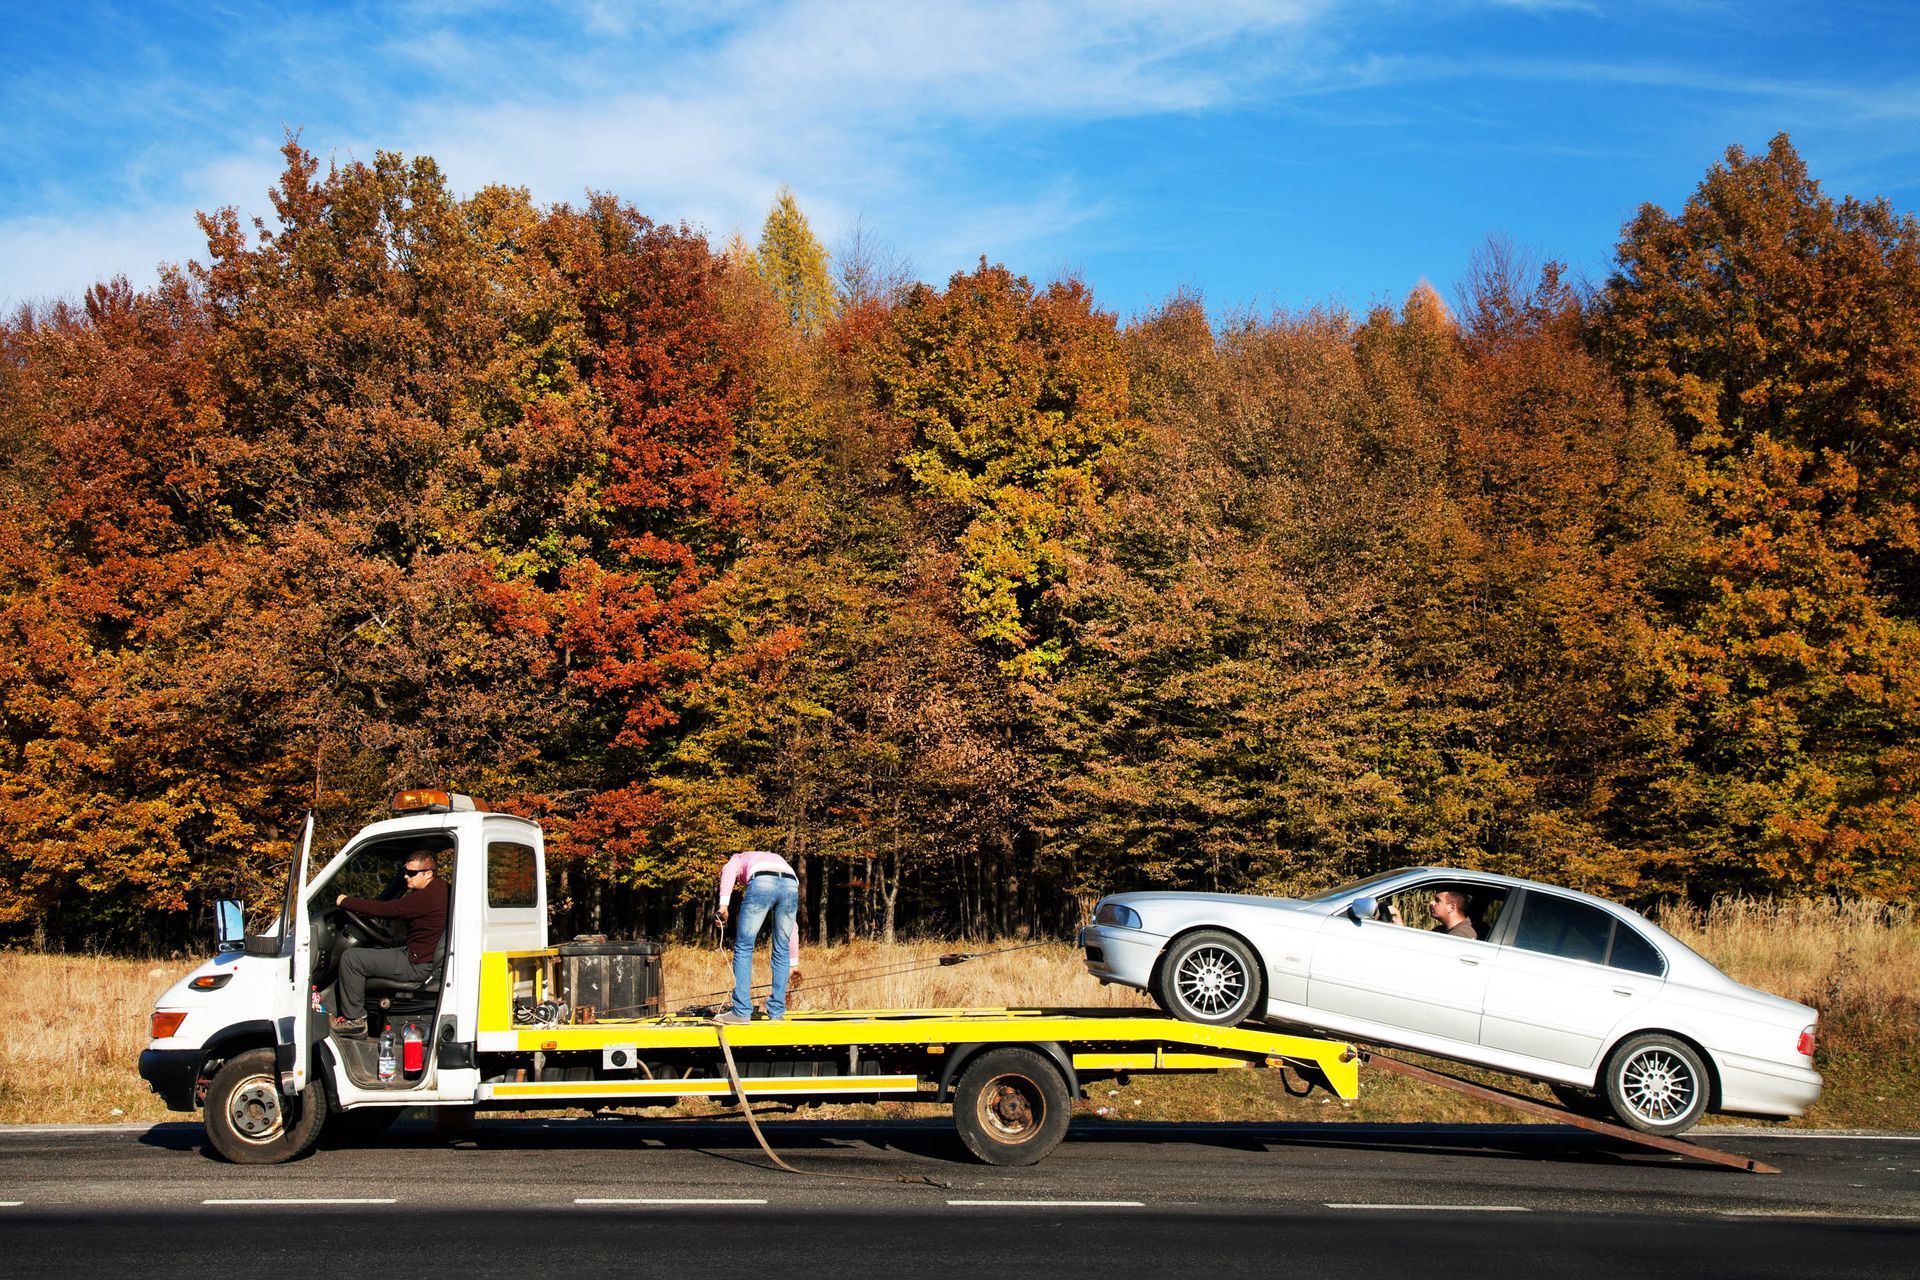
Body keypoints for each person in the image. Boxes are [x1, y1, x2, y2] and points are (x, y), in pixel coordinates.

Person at [328, 851, 449, 1037]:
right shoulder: (440, 889)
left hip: (416, 964)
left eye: (412, 873)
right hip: (419, 956)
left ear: (428, 873)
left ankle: (355, 1021)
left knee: (352, 959)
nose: (406, 876)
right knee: (372, 953)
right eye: (405, 872)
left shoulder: (427, 897)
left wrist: (345, 901)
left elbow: (386, 909)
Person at [715, 850, 802, 1024]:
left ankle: (741, 1012)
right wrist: (793, 963)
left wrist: (723, 906)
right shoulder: (776, 858)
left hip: (762, 881)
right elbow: (792, 926)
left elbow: (729, 870)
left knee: (744, 947)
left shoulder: (737, 858)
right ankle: (777, 1014)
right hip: (791, 883)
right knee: (781, 948)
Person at [1389, 888, 1478, 940]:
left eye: (1437, 901)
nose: (1431, 903)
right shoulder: (1441, 929)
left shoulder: (1461, 935)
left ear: (1452, 908)